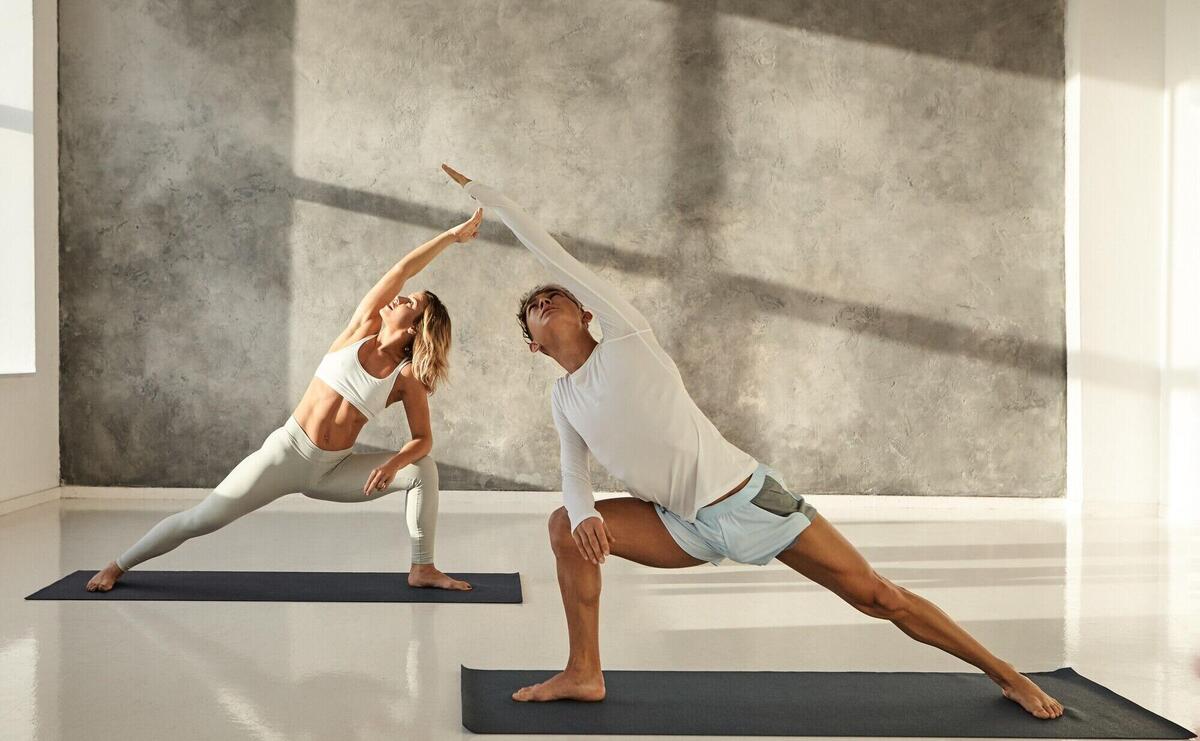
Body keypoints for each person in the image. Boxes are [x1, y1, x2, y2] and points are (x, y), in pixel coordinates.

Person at [441, 164, 1064, 720]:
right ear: (532, 343)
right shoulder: (563, 397)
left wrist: (487, 196)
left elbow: (557, 260)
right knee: (562, 525)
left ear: (586, 315)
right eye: (535, 309)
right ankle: (584, 673)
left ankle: (1007, 675)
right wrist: (582, 515)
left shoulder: (630, 341)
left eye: (556, 298)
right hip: (680, 525)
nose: (547, 300)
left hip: (750, 504)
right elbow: (572, 470)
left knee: (879, 596)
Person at [85, 207, 485, 593]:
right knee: (203, 518)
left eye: (410, 303)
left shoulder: (406, 377)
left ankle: (423, 567)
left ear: (416, 330)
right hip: (286, 454)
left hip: (334, 469)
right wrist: (452, 236)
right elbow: (402, 271)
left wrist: (393, 464)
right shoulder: (359, 330)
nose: (399, 299)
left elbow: (423, 440)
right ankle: (118, 564)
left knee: (422, 470)